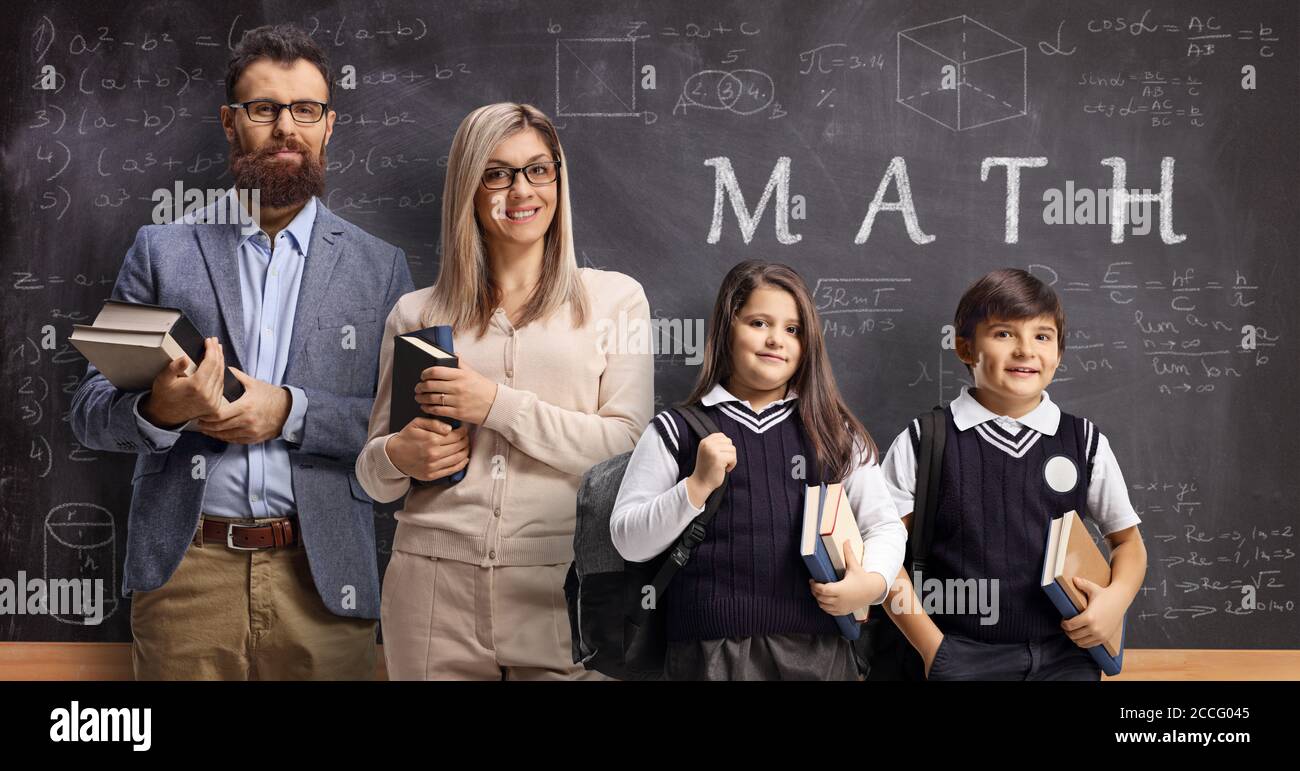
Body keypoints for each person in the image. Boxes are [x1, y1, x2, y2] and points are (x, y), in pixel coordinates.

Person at [69, 24, 415, 680]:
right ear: (231, 124)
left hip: (324, 580)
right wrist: (160, 410)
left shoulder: (379, 267)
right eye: (264, 109)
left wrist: (288, 410)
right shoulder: (162, 249)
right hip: (186, 577)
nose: (286, 126)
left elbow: (398, 427)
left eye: (305, 109)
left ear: (328, 125)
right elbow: (90, 409)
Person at [355, 103, 653, 680]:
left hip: (563, 587)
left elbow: (627, 450)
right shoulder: (416, 312)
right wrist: (399, 455)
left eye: (538, 170)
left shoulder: (617, 301)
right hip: (430, 588)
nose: (521, 190)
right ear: (469, 186)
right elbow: (373, 476)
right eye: (497, 172)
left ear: (559, 180)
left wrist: (495, 406)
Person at [609, 260, 907, 680]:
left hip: (818, 651)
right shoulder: (677, 430)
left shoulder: (833, 432)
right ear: (728, 327)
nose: (776, 340)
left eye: (793, 329)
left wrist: (871, 583)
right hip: (708, 653)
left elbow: (885, 526)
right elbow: (628, 539)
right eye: (759, 322)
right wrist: (694, 487)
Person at [880, 268, 1148, 680]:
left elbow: (1127, 541)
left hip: (1066, 655)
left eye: (1042, 336)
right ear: (965, 347)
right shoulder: (925, 440)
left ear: (1059, 353)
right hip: (958, 652)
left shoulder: (1083, 440)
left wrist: (1116, 600)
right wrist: (935, 650)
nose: (1025, 350)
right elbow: (882, 555)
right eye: (1004, 334)